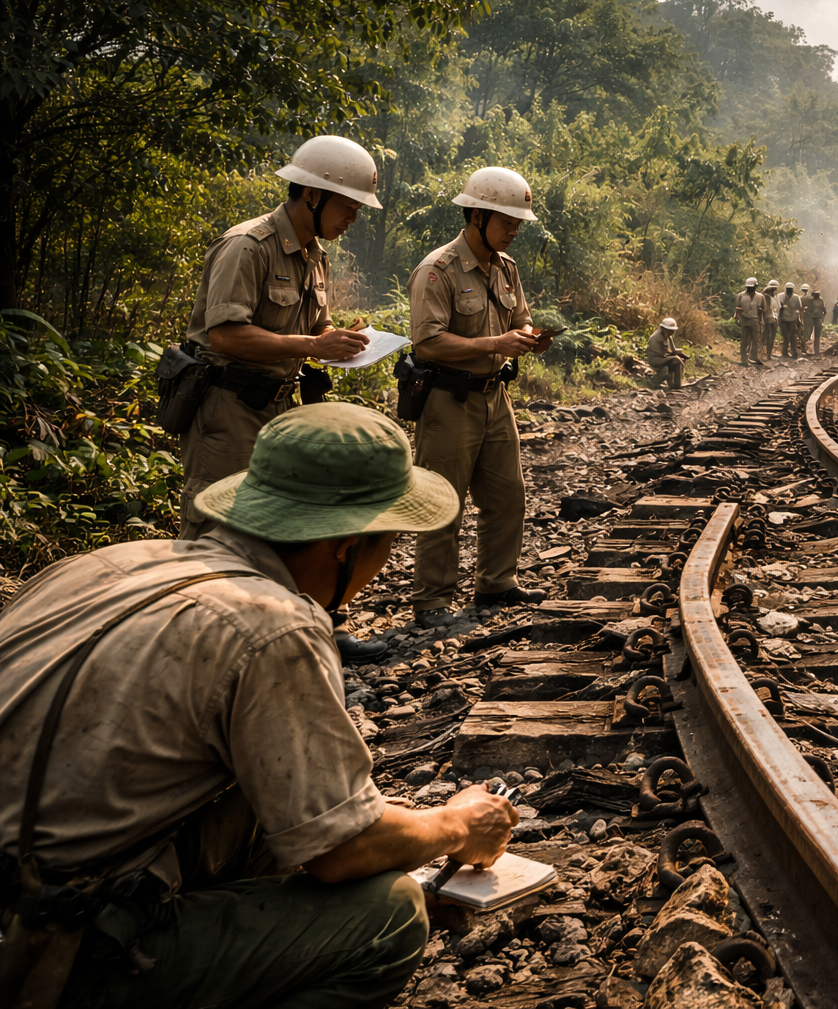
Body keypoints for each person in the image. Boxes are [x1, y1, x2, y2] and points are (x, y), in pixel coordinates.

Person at [0, 404, 517, 1008]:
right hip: (41, 942)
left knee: (270, 796)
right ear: (347, 546)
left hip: (25, 883)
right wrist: (457, 825)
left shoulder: (105, 564)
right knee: (390, 918)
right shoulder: (272, 625)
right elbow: (340, 849)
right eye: (389, 546)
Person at [173, 134, 382, 663]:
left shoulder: (314, 256)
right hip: (228, 406)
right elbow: (224, 335)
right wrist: (314, 344)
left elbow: (315, 326)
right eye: (349, 207)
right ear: (312, 195)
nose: (353, 219)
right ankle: (198, 648)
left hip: (277, 407)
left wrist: (341, 341)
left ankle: (289, 631)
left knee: (286, 520)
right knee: (216, 523)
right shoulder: (247, 245)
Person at [407, 166, 552, 629]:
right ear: (476, 215)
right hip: (449, 400)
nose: (514, 230)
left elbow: (522, 318)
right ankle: (432, 601)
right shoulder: (439, 270)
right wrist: (495, 344)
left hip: (495, 397)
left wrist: (527, 336)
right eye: (506, 221)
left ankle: (496, 583)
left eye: (517, 223)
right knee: (442, 501)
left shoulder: (506, 268)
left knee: (508, 495)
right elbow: (427, 343)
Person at [646, 317, 687, 388]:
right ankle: (653, 381)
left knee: (676, 362)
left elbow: (673, 350)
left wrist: (681, 353)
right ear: (663, 328)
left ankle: (676, 384)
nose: (671, 332)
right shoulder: (656, 337)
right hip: (655, 359)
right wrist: (675, 356)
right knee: (676, 359)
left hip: (662, 358)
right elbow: (661, 352)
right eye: (669, 330)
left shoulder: (668, 337)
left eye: (672, 331)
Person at [734, 277, 765, 366]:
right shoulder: (740, 296)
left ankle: (753, 358)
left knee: (755, 340)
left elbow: (763, 309)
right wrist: (738, 315)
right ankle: (744, 360)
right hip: (744, 320)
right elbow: (737, 307)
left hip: (755, 320)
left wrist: (760, 312)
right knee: (744, 340)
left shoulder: (760, 297)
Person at [761, 279, 780, 360]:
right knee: (767, 337)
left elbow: (778, 307)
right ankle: (762, 353)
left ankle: (768, 355)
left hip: (774, 319)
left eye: (774, 289)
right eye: (771, 289)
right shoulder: (764, 296)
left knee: (772, 337)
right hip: (766, 319)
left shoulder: (776, 297)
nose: (773, 291)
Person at [805, 287, 827, 355]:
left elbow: (824, 309)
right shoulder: (810, 300)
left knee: (817, 336)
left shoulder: (821, 300)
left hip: (817, 318)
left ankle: (816, 351)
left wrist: (822, 318)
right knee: (808, 334)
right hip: (811, 318)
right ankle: (805, 349)